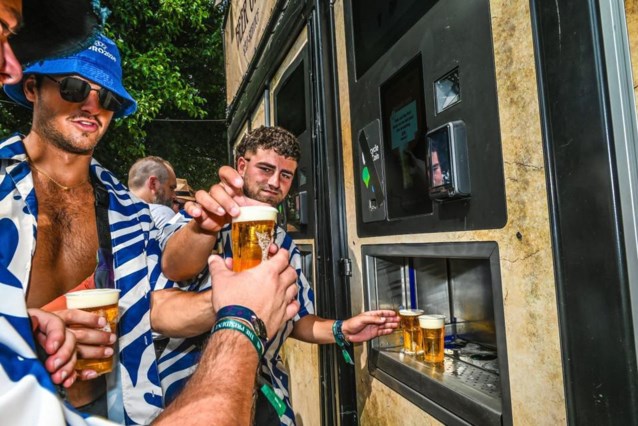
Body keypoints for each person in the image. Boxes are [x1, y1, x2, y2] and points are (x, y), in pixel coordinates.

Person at [162, 125, 401, 425]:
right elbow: (174, 267)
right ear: (241, 166)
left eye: (285, 175)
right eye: (265, 169)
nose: (275, 182)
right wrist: (204, 228)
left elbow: (297, 320)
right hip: (191, 383)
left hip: (264, 388)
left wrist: (341, 329)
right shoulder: (205, 218)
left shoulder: (286, 244)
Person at [128, 156, 178, 228]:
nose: (174, 196)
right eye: (171, 188)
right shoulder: (162, 213)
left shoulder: (114, 213)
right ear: (153, 183)